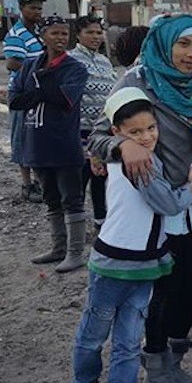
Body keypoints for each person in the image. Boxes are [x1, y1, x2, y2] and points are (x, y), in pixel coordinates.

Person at [88, 14, 192, 383]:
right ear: (165, 43)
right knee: (160, 292)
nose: (191, 54)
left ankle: (174, 357)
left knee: (189, 287)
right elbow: (99, 136)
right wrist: (125, 148)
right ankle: (155, 366)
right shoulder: (138, 82)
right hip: (157, 212)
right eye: (183, 44)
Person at [70, 87, 192, 383]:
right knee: (95, 333)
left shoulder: (140, 155)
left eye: (151, 128)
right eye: (135, 131)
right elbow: (164, 202)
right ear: (117, 132)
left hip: (144, 266)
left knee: (128, 343)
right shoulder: (138, 160)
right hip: (114, 265)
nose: (146, 136)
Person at [9, 15, 89, 272]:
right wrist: (42, 91)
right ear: (43, 36)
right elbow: (14, 100)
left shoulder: (75, 68)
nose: (61, 38)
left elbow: (64, 98)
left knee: (72, 199)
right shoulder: (30, 65)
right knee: (51, 198)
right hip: (37, 143)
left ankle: (76, 252)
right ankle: (58, 248)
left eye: (65, 34)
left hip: (64, 144)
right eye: (55, 33)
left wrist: (38, 90)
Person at [69, 15, 118, 232]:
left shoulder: (104, 61)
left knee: (100, 179)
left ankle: (101, 224)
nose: (96, 37)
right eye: (90, 32)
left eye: (99, 32)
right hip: (79, 131)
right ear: (78, 34)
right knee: (79, 180)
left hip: (101, 132)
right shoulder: (71, 60)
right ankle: (75, 231)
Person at [3, 0, 46, 203]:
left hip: (35, 91)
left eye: (39, 8)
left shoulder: (36, 32)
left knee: (34, 136)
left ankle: (38, 182)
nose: (37, 11)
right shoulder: (16, 34)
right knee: (21, 137)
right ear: (21, 9)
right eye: (32, 8)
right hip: (22, 92)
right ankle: (26, 185)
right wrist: (36, 73)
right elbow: (12, 63)